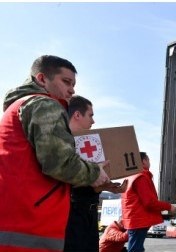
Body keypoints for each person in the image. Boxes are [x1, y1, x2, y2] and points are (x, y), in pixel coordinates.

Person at [0, 55, 110, 251]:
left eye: (74, 84)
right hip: (31, 227)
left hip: (17, 221)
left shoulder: (20, 107)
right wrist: (95, 173)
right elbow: (60, 163)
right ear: (42, 79)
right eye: (66, 81)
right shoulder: (43, 104)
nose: (72, 89)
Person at [64, 95, 127, 251]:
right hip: (73, 216)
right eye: (90, 115)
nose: (93, 121)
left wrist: (107, 186)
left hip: (89, 213)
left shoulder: (91, 144)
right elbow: (66, 184)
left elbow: (82, 183)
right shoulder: (62, 144)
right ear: (77, 115)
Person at [121, 152, 176, 252]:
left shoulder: (131, 176)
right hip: (138, 221)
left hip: (134, 220)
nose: (150, 162)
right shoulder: (140, 177)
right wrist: (168, 206)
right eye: (148, 160)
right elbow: (149, 202)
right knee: (136, 249)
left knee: (136, 248)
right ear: (143, 161)